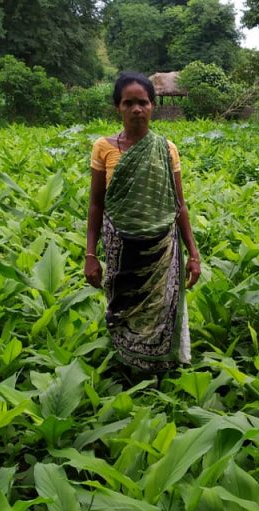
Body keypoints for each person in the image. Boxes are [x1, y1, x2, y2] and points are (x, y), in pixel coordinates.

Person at [84, 71, 201, 374]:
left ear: (153, 106)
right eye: (128, 103)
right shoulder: (104, 148)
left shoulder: (166, 148)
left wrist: (194, 255)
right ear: (118, 108)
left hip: (162, 247)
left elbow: (179, 205)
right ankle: (128, 370)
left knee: (162, 307)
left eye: (143, 102)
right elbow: (96, 204)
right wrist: (90, 255)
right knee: (123, 306)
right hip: (121, 247)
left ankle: (161, 369)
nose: (137, 109)